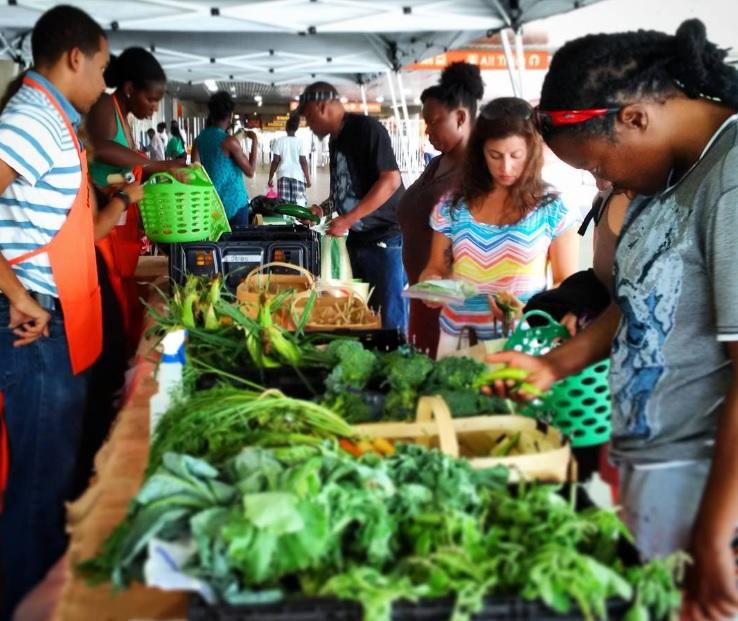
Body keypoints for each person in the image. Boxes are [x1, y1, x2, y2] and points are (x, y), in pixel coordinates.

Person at [487, 20, 738, 621]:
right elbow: (640, 304)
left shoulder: (729, 181)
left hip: (711, 489)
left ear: (633, 118)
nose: (607, 185)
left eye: (603, 167)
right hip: (657, 472)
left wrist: (711, 534)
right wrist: (552, 366)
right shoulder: (670, 175)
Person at [0, 6, 141, 616]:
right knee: (36, 498)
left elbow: (70, 235)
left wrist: (119, 206)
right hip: (33, 332)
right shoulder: (30, 119)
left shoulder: (57, 122)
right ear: (75, 58)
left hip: (59, 321)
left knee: (55, 485)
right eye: (104, 68)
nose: (105, 84)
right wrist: (15, 293)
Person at [419, 97, 579, 355]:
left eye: (516, 155)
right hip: (459, 338)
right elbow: (435, 267)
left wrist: (528, 309)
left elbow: (566, 283)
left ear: (532, 150)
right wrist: (431, 286)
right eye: (495, 155)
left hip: (523, 339)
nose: (506, 167)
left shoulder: (554, 207)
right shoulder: (453, 204)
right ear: (480, 153)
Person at [298, 81, 406, 330]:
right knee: (361, 314)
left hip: (385, 239)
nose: (308, 122)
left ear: (322, 106)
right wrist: (322, 209)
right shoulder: (336, 141)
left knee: (388, 317)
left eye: (308, 115)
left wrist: (348, 219)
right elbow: (344, 191)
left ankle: (394, 360)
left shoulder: (367, 129)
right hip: (358, 240)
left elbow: (391, 180)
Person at [396, 62, 483, 357]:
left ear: (460, 117)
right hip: (424, 297)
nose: (428, 130)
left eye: (433, 121)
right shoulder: (438, 162)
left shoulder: (479, 172)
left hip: (454, 306)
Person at [192, 91, 258, 227]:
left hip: (212, 207)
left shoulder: (199, 140)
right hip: (235, 204)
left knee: (216, 247)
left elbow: (195, 172)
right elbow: (250, 171)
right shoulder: (230, 141)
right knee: (238, 247)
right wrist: (255, 141)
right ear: (230, 115)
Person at [268, 113, 311, 206]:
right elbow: (303, 162)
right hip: (298, 177)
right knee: (299, 206)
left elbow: (275, 161)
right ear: (296, 129)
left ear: (286, 128)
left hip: (283, 176)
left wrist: (270, 177)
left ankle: (286, 220)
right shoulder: (300, 142)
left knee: (284, 207)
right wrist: (308, 179)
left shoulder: (279, 141)